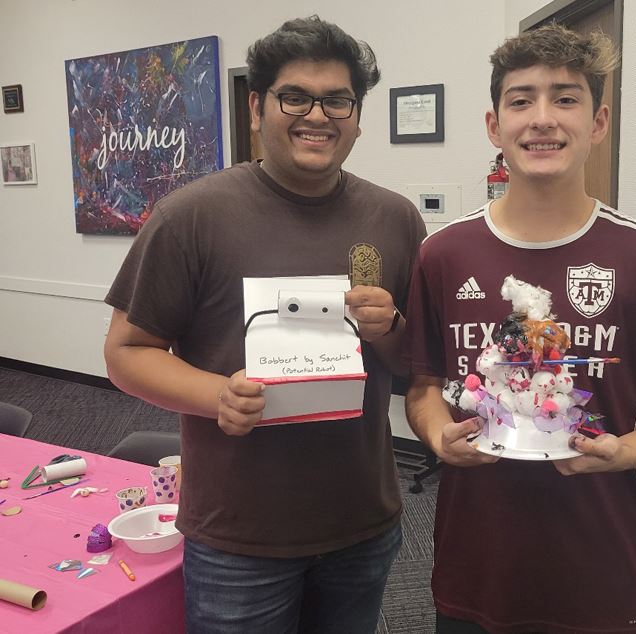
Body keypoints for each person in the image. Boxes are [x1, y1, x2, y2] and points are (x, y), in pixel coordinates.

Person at [104, 16, 425, 633]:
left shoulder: (394, 219)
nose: (318, 115)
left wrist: (389, 330)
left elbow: (419, 369)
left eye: (338, 100)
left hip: (361, 520)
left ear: (357, 116)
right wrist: (214, 393)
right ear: (258, 107)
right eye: (295, 97)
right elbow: (125, 352)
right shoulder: (190, 216)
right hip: (237, 536)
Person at [404, 24, 636, 634]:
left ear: (598, 123)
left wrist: (622, 452)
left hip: (602, 570)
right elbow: (422, 389)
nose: (542, 118)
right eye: (521, 100)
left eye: (566, 98)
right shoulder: (442, 254)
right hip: (475, 568)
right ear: (494, 126)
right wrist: (439, 437)